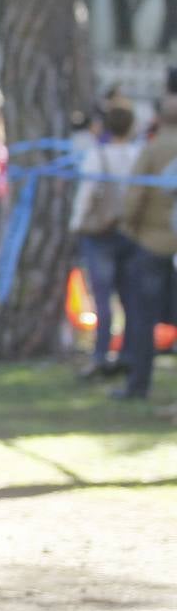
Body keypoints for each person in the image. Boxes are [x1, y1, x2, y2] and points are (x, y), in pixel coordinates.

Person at [112, 93, 177, 400]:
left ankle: (139, 383)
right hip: (163, 242)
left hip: (152, 242)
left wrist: (129, 228)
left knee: (142, 319)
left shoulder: (155, 149)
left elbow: (135, 198)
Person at [70, 98, 140, 379]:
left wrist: (76, 224)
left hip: (100, 234)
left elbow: (86, 193)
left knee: (103, 298)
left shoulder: (97, 156)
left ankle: (101, 355)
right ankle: (127, 353)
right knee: (128, 298)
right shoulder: (137, 155)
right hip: (130, 231)